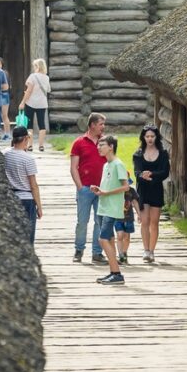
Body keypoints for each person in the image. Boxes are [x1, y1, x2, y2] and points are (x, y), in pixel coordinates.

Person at [69, 112, 107, 264]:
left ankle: (97, 253)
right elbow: (73, 167)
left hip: (102, 190)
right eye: (101, 124)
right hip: (85, 189)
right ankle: (79, 250)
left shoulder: (105, 142)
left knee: (100, 222)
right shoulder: (79, 142)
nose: (103, 127)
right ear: (92, 125)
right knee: (82, 222)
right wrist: (80, 187)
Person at [91, 134, 128, 285]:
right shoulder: (106, 165)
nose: (98, 147)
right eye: (98, 145)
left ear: (111, 147)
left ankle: (117, 274)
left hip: (111, 209)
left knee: (103, 239)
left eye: (102, 145)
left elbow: (126, 186)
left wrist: (106, 193)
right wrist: (100, 190)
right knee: (110, 239)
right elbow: (109, 186)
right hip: (102, 207)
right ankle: (113, 272)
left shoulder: (118, 164)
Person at [133, 125, 170, 263]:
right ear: (143, 137)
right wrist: (143, 175)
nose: (150, 139)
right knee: (145, 221)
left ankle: (152, 251)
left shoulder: (163, 153)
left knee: (154, 223)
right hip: (143, 190)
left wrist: (152, 174)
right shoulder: (137, 154)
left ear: (156, 137)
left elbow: (165, 172)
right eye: (147, 136)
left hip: (156, 190)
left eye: (152, 136)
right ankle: (146, 250)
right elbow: (137, 173)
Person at [4, 126, 42, 244]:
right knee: (28, 235)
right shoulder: (28, 159)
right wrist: (39, 206)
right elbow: (33, 185)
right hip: (26, 199)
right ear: (26, 139)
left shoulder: (5, 153)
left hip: (10, 197)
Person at [18, 58, 51, 152]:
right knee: (42, 125)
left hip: (31, 103)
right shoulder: (46, 77)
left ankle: (30, 145)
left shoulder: (32, 76)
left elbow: (29, 91)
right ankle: (41, 146)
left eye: (34, 66)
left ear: (37, 66)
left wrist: (22, 102)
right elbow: (48, 90)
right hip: (42, 103)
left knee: (29, 125)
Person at [115, 177, 141, 265]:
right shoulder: (116, 190)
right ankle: (121, 255)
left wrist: (139, 214)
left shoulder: (131, 191)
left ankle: (125, 253)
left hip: (128, 217)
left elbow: (135, 202)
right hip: (117, 217)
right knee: (119, 235)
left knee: (126, 237)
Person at [0, 59, 11, 142]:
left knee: (4, 115)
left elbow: (7, 86)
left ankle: (7, 134)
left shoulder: (4, 73)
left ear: (2, 65)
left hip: (4, 94)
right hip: (1, 95)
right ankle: (3, 134)